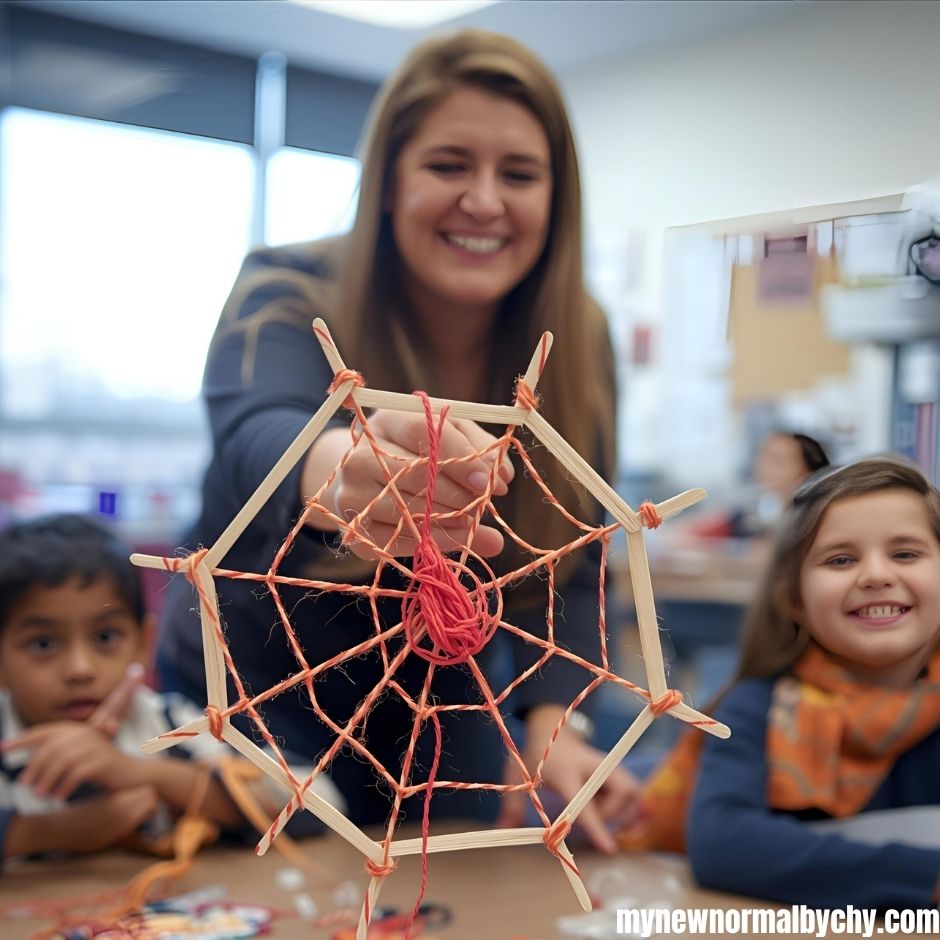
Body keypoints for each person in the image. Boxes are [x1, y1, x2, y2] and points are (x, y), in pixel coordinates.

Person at [156, 28, 640, 852]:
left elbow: (573, 551)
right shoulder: (284, 284)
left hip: (439, 679)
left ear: (557, 198)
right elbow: (252, 435)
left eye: (518, 174)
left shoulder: (575, 333)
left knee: (473, 876)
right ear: (387, 181)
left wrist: (556, 720)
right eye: (448, 165)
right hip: (255, 670)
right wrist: (350, 470)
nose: (484, 201)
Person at [623, 456, 940, 909]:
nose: (876, 576)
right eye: (841, 559)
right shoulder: (755, 706)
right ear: (794, 599)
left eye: (905, 553)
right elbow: (722, 846)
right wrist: (925, 879)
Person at [0, 514, 247, 865]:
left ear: (142, 644)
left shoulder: (170, 723)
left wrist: (143, 772)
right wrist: (59, 830)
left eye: (105, 637)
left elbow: (307, 801)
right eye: (43, 644)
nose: (80, 669)